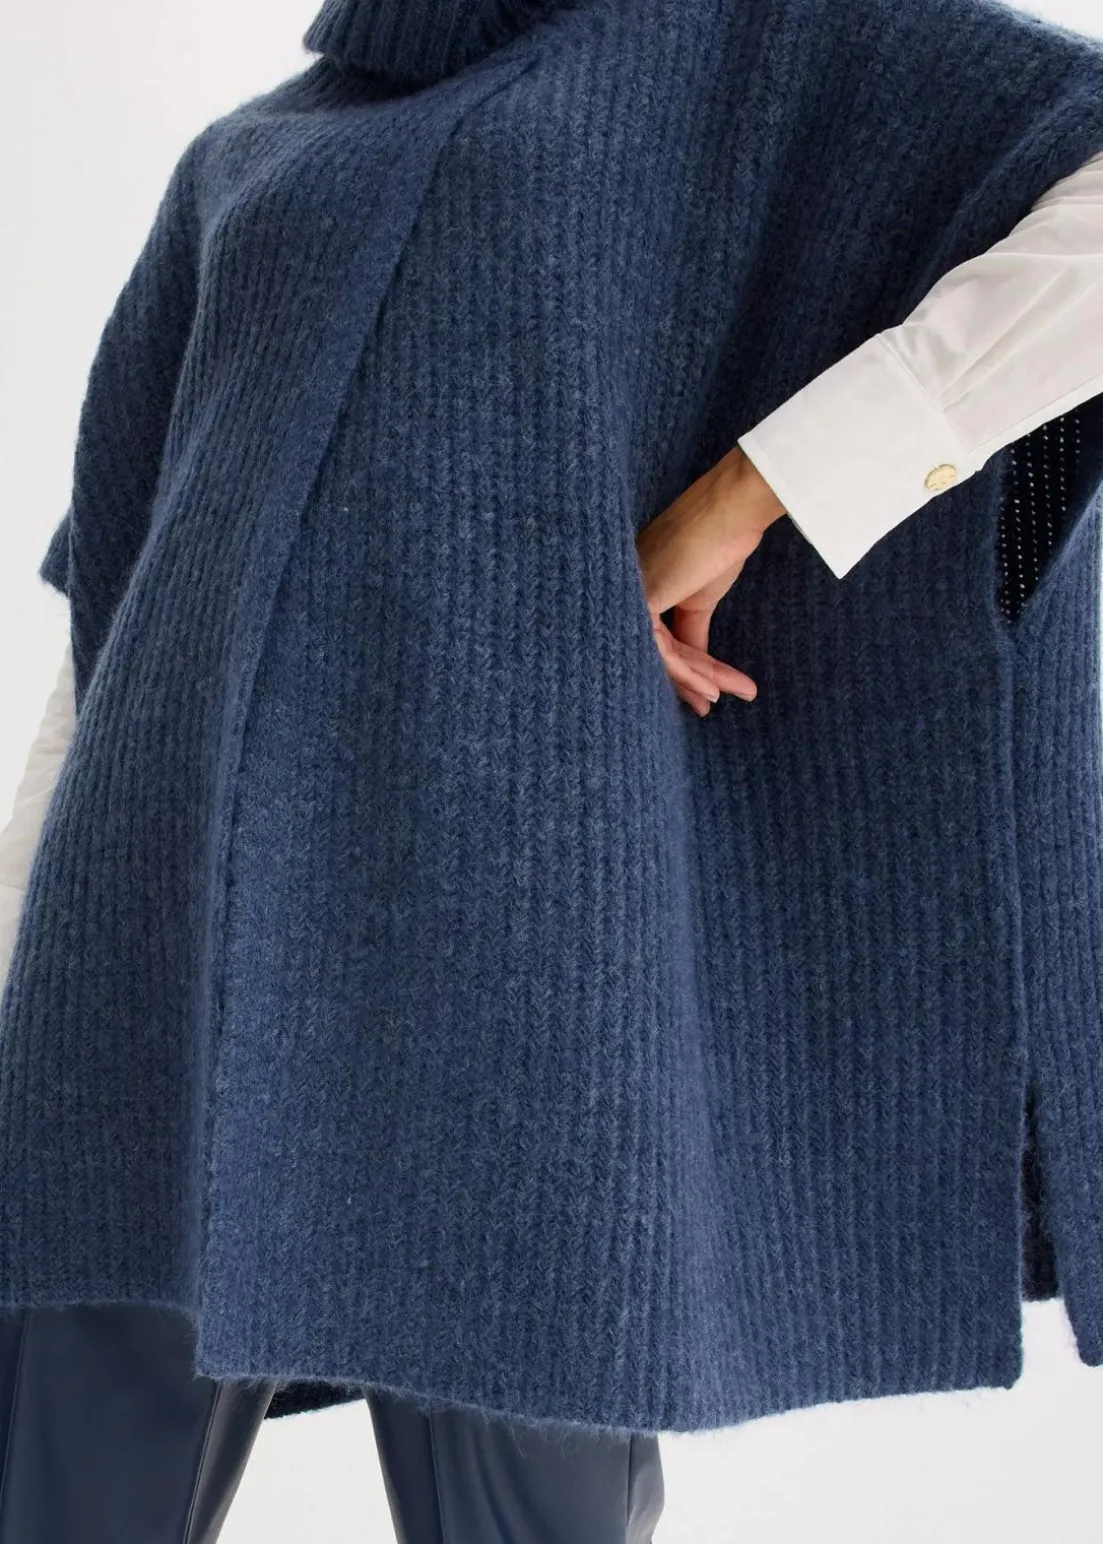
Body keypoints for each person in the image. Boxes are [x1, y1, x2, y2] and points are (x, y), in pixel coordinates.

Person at [3, 1, 1103, 1539]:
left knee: (524, 1467)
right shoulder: (253, 152)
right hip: (155, 986)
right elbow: (123, 613)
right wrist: (29, 975)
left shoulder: (771, 47)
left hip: (521, 989)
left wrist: (763, 486)